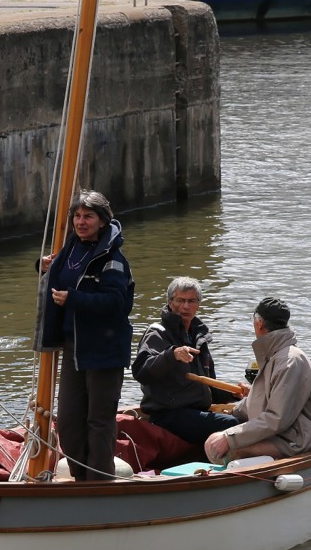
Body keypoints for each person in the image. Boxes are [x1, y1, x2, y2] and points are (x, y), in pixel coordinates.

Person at [37, 190, 135, 481]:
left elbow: (118, 303)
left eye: (88, 216)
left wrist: (74, 299)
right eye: (77, 216)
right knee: (67, 422)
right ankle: (81, 479)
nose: (81, 222)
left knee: (99, 422)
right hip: (74, 347)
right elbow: (59, 279)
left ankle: (100, 483)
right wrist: (43, 267)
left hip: (104, 350)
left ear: (103, 221)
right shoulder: (71, 249)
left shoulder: (113, 260)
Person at [204, 297, 311, 465]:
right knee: (212, 439)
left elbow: (277, 419)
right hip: (280, 433)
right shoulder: (275, 355)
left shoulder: (290, 361)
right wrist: (230, 413)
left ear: (259, 323)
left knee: (225, 449)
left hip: (296, 438)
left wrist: (229, 438)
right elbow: (259, 399)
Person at [132, 277, 241, 446]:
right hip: (168, 415)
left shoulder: (199, 337)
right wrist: (171, 355)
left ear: (198, 304)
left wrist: (234, 393)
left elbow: (210, 389)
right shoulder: (157, 333)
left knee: (245, 418)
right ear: (169, 302)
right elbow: (141, 372)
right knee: (231, 426)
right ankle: (231, 467)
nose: (186, 306)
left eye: (191, 301)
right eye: (180, 300)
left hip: (196, 412)